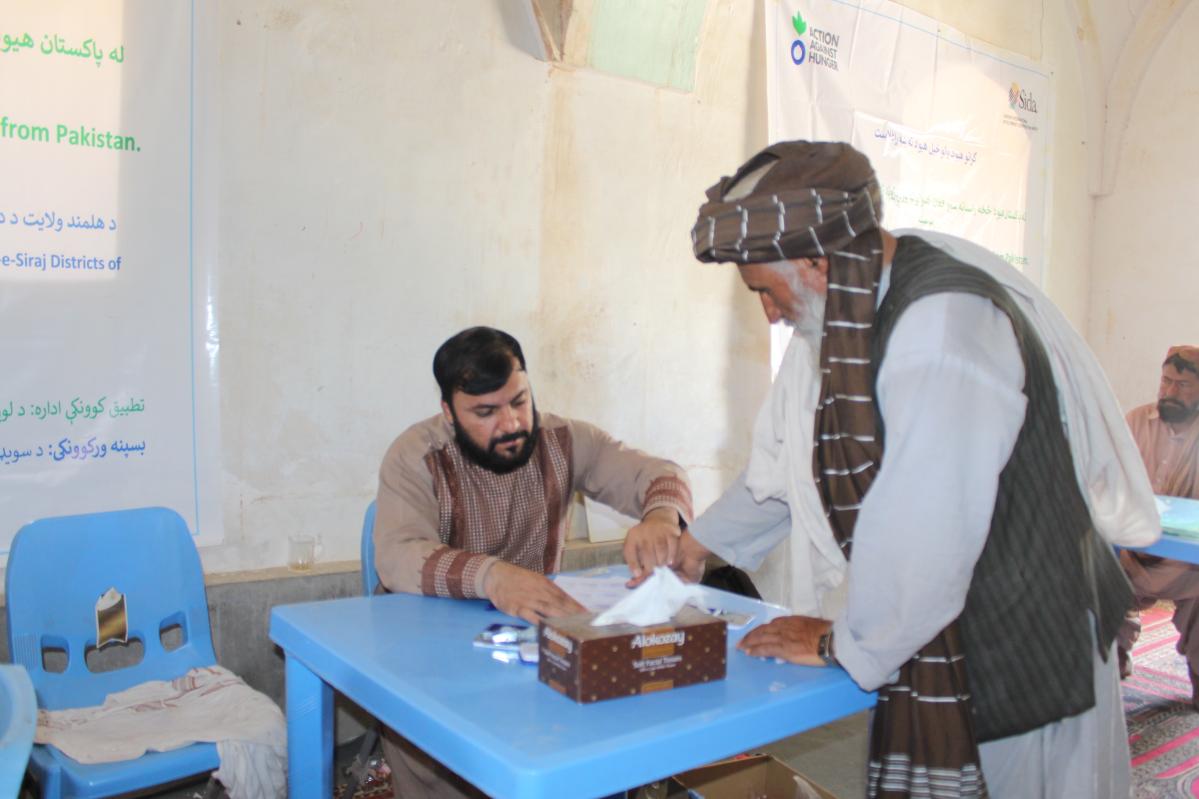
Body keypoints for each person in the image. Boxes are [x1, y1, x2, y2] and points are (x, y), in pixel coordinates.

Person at [623, 141, 1160, 798]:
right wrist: (696, 546)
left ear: (815, 262)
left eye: (764, 291)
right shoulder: (838, 316)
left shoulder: (941, 328)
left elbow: (927, 536)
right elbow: (784, 464)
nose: (767, 312)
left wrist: (838, 643)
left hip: (1022, 635)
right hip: (952, 631)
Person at [375, 325, 693, 799]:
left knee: (610, 731)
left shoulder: (564, 441)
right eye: (485, 412)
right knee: (432, 750)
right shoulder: (417, 456)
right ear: (448, 413)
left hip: (533, 643)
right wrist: (492, 577)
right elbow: (396, 556)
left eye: (519, 402)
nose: (511, 424)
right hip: (431, 655)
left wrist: (662, 515)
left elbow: (660, 474)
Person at [1118, 345, 1199, 699]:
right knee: (1088, 575)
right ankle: (1115, 655)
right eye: (1166, 381)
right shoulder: (1135, 421)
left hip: (1188, 565)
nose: (1169, 391)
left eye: (1183, 385)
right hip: (1129, 554)